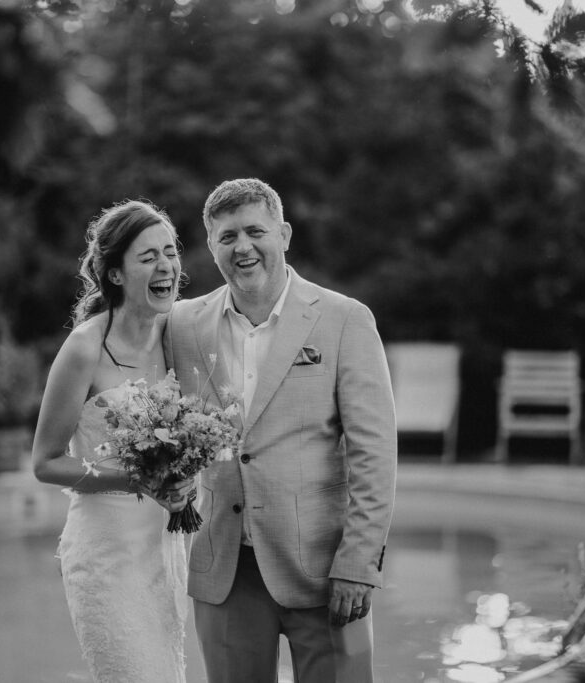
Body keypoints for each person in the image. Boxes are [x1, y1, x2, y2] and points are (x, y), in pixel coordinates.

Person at [164, 178, 398, 682]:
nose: (242, 247)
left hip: (326, 569)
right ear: (211, 246)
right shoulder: (181, 324)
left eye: (255, 232)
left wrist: (358, 562)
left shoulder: (345, 320)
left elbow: (374, 454)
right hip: (224, 569)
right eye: (227, 237)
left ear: (284, 235)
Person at [31, 200, 196, 683]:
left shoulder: (178, 335)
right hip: (105, 557)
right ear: (116, 274)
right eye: (148, 257)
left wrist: (185, 479)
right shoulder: (84, 348)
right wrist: (135, 479)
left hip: (163, 552)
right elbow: (45, 462)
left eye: (170, 252)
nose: (165, 266)